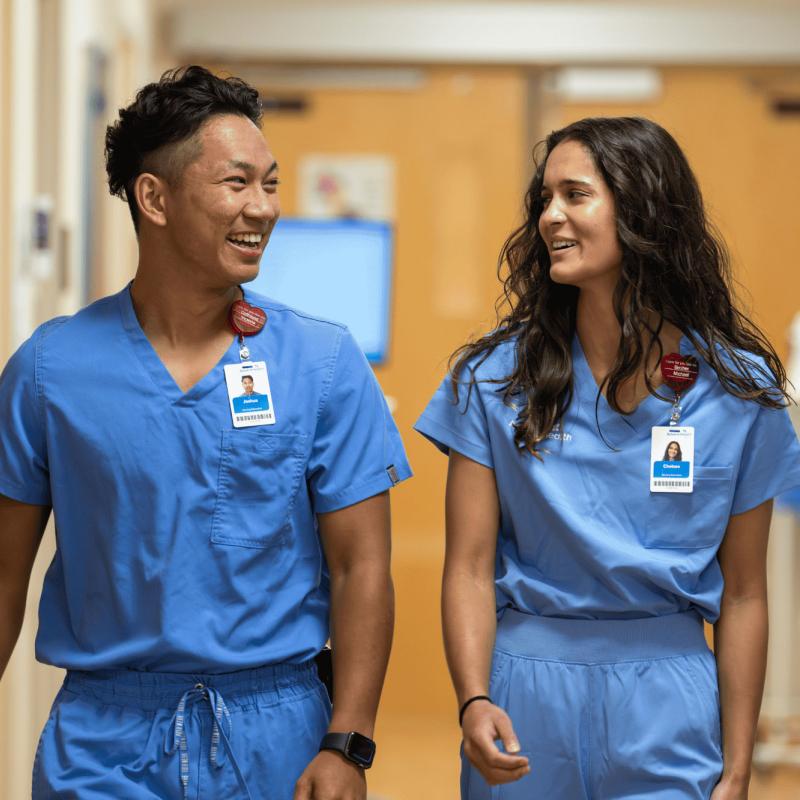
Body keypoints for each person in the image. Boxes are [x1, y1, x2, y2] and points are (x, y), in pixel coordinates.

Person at [0, 66, 410, 800]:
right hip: (102, 738)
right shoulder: (48, 370)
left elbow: (361, 571)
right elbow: (3, 575)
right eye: (237, 183)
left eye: (272, 183)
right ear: (154, 197)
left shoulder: (320, 363)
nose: (265, 209)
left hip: (276, 734)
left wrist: (348, 743)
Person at [415, 116, 800, 799]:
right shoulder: (491, 379)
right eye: (544, 199)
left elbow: (743, 593)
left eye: (574, 195)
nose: (548, 217)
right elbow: (469, 566)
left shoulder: (741, 394)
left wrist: (738, 767)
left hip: (672, 695)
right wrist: (474, 699)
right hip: (523, 691)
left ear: (644, 207)